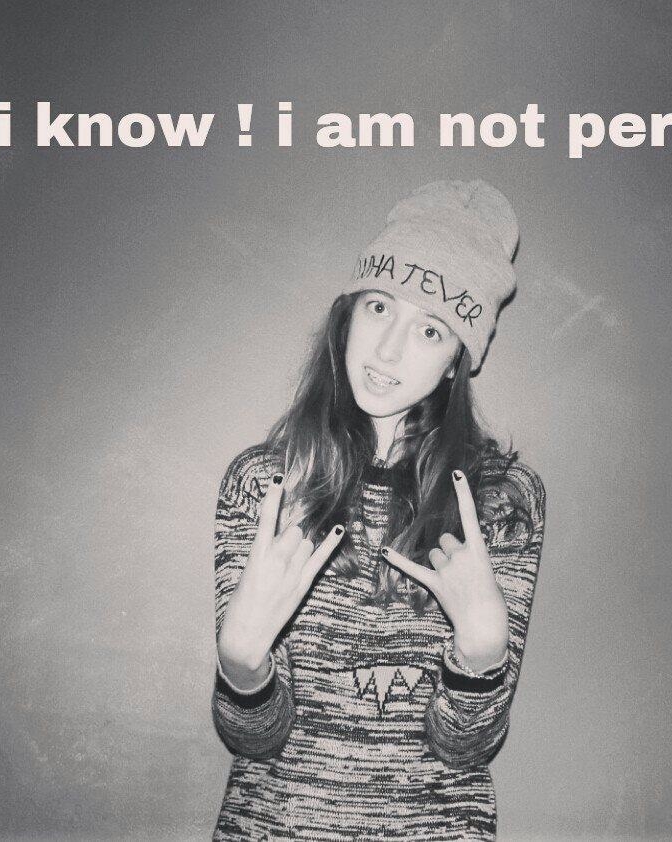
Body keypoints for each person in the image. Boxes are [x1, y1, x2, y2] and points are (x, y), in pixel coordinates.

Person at [211, 179, 547, 840]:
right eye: (379, 307)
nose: (388, 350)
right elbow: (254, 740)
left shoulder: (500, 503)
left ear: (456, 360)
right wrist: (242, 662)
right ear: (349, 314)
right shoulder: (266, 485)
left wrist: (482, 653)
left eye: (430, 329)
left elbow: (464, 749)